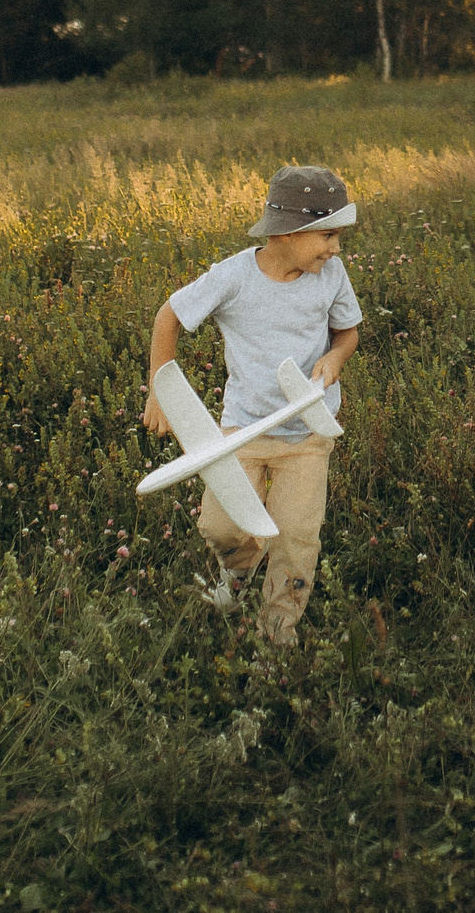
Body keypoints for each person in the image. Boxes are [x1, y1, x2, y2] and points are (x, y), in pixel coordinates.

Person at [143, 165, 362, 645]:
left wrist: (334, 357)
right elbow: (169, 316)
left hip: (307, 435)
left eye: (338, 238)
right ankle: (240, 570)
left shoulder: (332, 274)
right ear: (287, 232)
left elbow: (349, 332)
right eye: (327, 236)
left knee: (298, 538)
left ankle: (277, 634)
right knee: (220, 527)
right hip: (243, 430)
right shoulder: (234, 277)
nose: (336, 249)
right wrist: (159, 388)